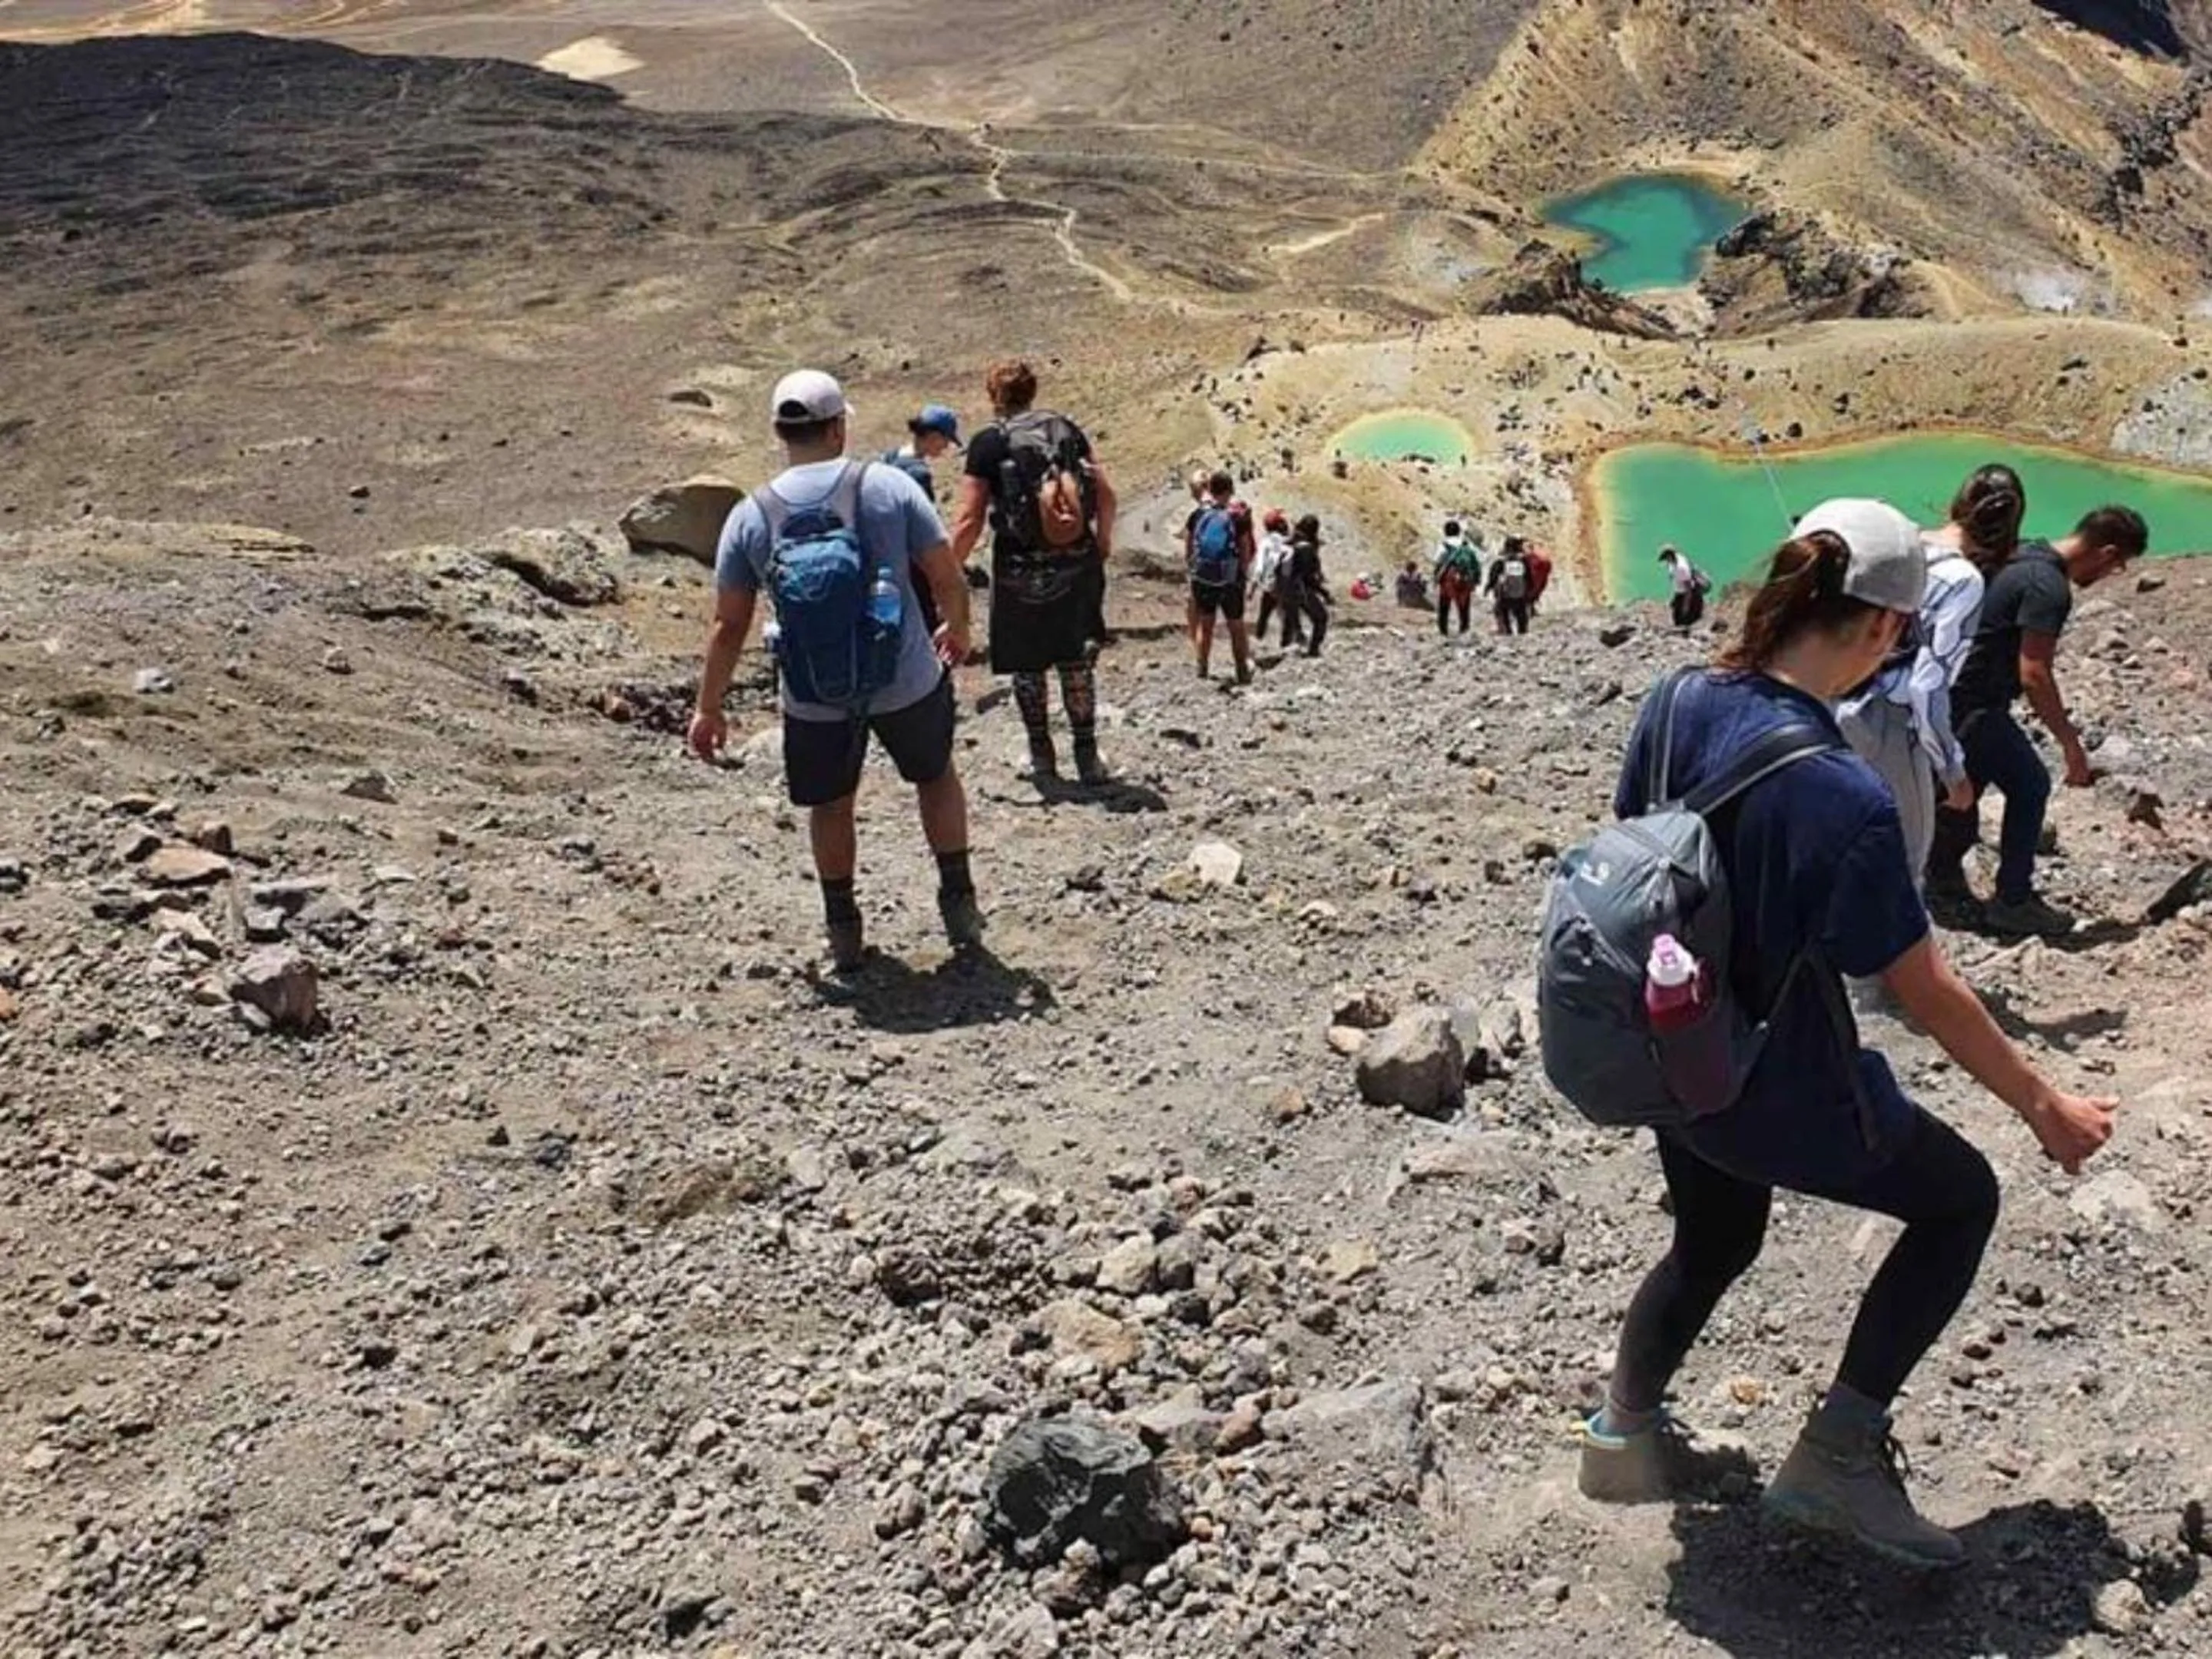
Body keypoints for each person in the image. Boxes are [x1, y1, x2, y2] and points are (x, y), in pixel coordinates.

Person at [1580, 498, 2118, 1570]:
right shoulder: (1844, 795)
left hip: (1666, 1046)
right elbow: (1923, 987)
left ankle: (1621, 1432)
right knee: (1961, 1197)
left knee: (1717, 1235)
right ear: (1881, 630)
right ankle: (1834, 1459)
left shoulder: (1678, 695)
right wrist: (2045, 1106)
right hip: (1768, 1078)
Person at [690, 369, 980, 972]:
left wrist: (709, 706)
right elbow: (944, 573)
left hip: (813, 692)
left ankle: (843, 929)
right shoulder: (890, 489)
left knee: (832, 804)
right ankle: (959, 905)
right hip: (904, 676)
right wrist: (958, 628)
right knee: (935, 777)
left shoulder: (751, 514)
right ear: (840, 427)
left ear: (778, 431)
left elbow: (729, 624)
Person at [1926, 504, 2147, 935]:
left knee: (1961, 795)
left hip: (1953, 696)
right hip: (1977, 704)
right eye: (2118, 565)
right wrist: (2069, 742)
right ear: (2105, 551)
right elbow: (2035, 673)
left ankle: (1942, 885)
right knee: (2030, 784)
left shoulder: (2026, 555)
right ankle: (2012, 900)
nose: (2113, 574)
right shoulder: (2049, 587)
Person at [1836, 465, 2022, 894]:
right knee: (1905, 861)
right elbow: (1927, 685)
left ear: (1960, 502)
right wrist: (1951, 770)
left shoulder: (1904, 542)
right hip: (1891, 724)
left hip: (1836, 698)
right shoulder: (1964, 581)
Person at [952, 359, 1119, 786]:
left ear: (994, 395)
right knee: (1076, 660)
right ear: (1032, 391)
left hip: (1018, 569)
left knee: (1029, 666)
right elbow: (1105, 492)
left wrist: (948, 568)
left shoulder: (989, 442)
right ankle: (1087, 756)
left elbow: (970, 518)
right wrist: (1100, 544)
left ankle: (1042, 756)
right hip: (1076, 561)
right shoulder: (1065, 429)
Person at [882, 403, 965, 635]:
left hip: (886, 550)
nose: (946, 446)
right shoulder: (919, 474)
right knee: (924, 616)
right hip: (912, 557)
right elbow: (925, 524)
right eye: (945, 440)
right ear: (933, 435)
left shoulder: (888, 458)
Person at [1184, 471, 1256, 682]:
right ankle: (1241, 670)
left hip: (1204, 577)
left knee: (1206, 624)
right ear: (1230, 490)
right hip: (1231, 579)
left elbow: (1189, 549)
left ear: (1210, 490)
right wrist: (1241, 573)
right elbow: (1245, 550)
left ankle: (1202, 668)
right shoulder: (1237, 517)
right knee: (1236, 625)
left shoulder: (1197, 515)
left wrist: (1194, 572)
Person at [1253, 508, 1301, 648]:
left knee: (1264, 614)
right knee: (1289, 613)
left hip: (1269, 584)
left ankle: (1258, 639)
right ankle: (1286, 643)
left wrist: (1255, 584)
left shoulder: (1265, 542)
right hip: (1285, 584)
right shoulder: (1288, 542)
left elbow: (1260, 565)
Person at [1286, 514, 1330, 657]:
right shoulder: (1306, 549)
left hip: (1286, 588)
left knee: (1291, 620)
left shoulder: (1291, 542)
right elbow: (1308, 577)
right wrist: (1324, 593)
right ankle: (1313, 650)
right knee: (1321, 618)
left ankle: (1292, 645)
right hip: (1301, 589)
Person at [1433, 520, 1482, 636]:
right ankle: (1464, 629)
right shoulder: (1466, 545)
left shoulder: (1444, 545)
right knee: (1464, 606)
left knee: (1444, 605)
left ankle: (1443, 630)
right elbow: (1475, 563)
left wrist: (1436, 577)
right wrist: (1476, 580)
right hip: (1465, 579)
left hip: (1448, 580)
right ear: (1459, 531)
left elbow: (1437, 560)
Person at [1487, 535, 1535, 634]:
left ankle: (1507, 631)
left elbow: (1493, 578)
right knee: (1521, 615)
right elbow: (1529, 578)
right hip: (1520, 596)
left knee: (1501, 611)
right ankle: (1522, 632)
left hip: (1505, 596)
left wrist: (1488, 587)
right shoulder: (1523, 562)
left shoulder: (1501, 562)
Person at [1659, 545, 1712, 631]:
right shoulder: (1675, 559)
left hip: (1688, 594)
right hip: (1680, 591)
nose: (1666, 561)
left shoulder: (1682, 568)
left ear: (1669, 556)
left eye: (1666, 558)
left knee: (1683, 619)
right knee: (1676, 617)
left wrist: (1686, 606)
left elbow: (1689, 589)